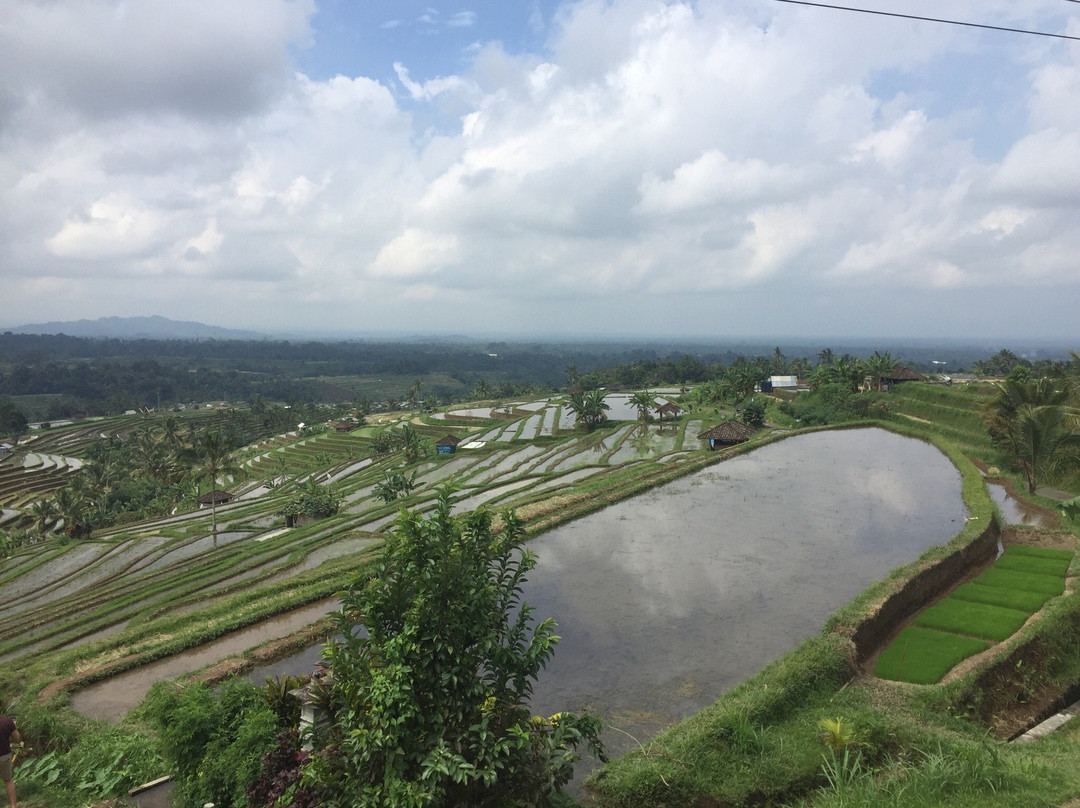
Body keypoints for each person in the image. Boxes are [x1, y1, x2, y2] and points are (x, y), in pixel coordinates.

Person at [0, 713, 18, 808]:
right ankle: (13, 805)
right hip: (4, 756)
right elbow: (17, 738)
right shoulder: (7, 722)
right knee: (8, 780)